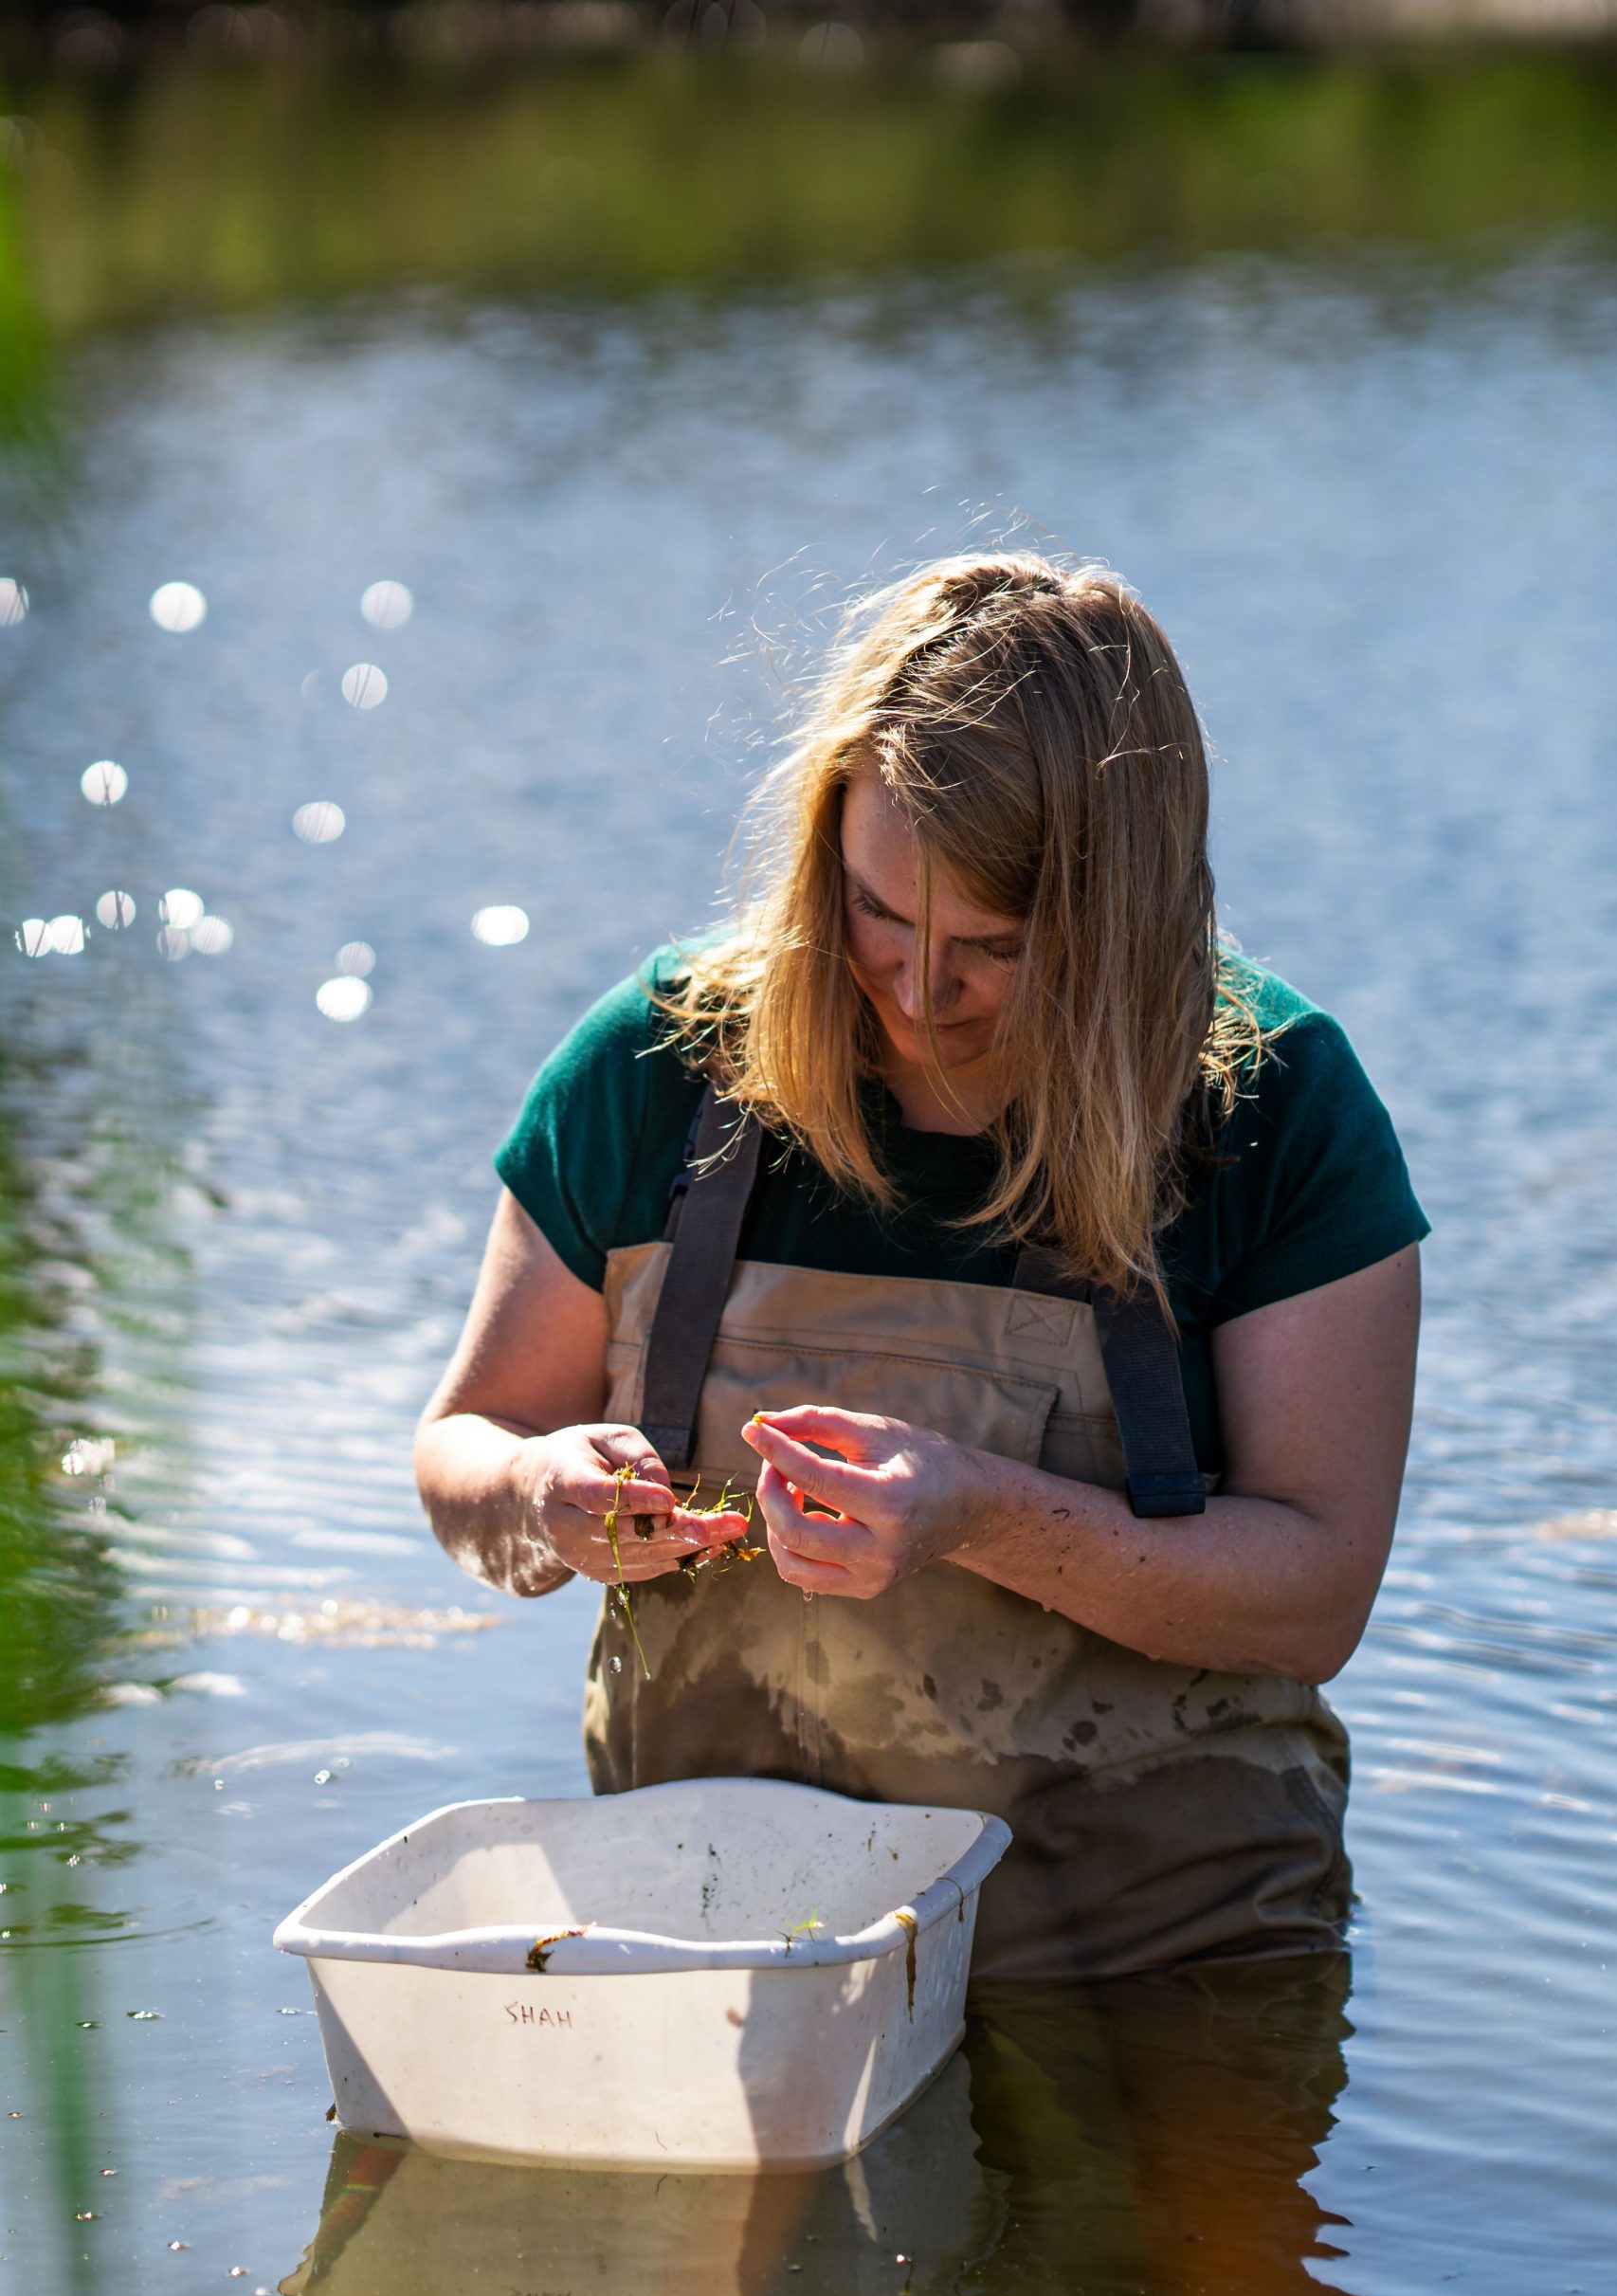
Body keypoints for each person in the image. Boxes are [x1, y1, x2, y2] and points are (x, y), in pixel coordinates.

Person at [415, 554, 1426, 1983]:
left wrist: (977, 1516)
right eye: (875, 913)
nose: (911, 984)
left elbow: (1315, 1597)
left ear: (1122, 918)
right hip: (727, 1960)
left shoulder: (1279, 1106)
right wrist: (533, 1498)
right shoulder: (649, 1069)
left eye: (991, 947)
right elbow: (464, 1452)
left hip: (1160, 1965)